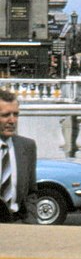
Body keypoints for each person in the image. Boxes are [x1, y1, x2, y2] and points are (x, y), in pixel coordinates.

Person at [0, 90, 36, 223]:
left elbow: (31, 193)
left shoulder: (27, 146)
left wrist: (31, 224)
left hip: (18, 226)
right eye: (5, 115)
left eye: (15, 114)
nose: (12, 120)